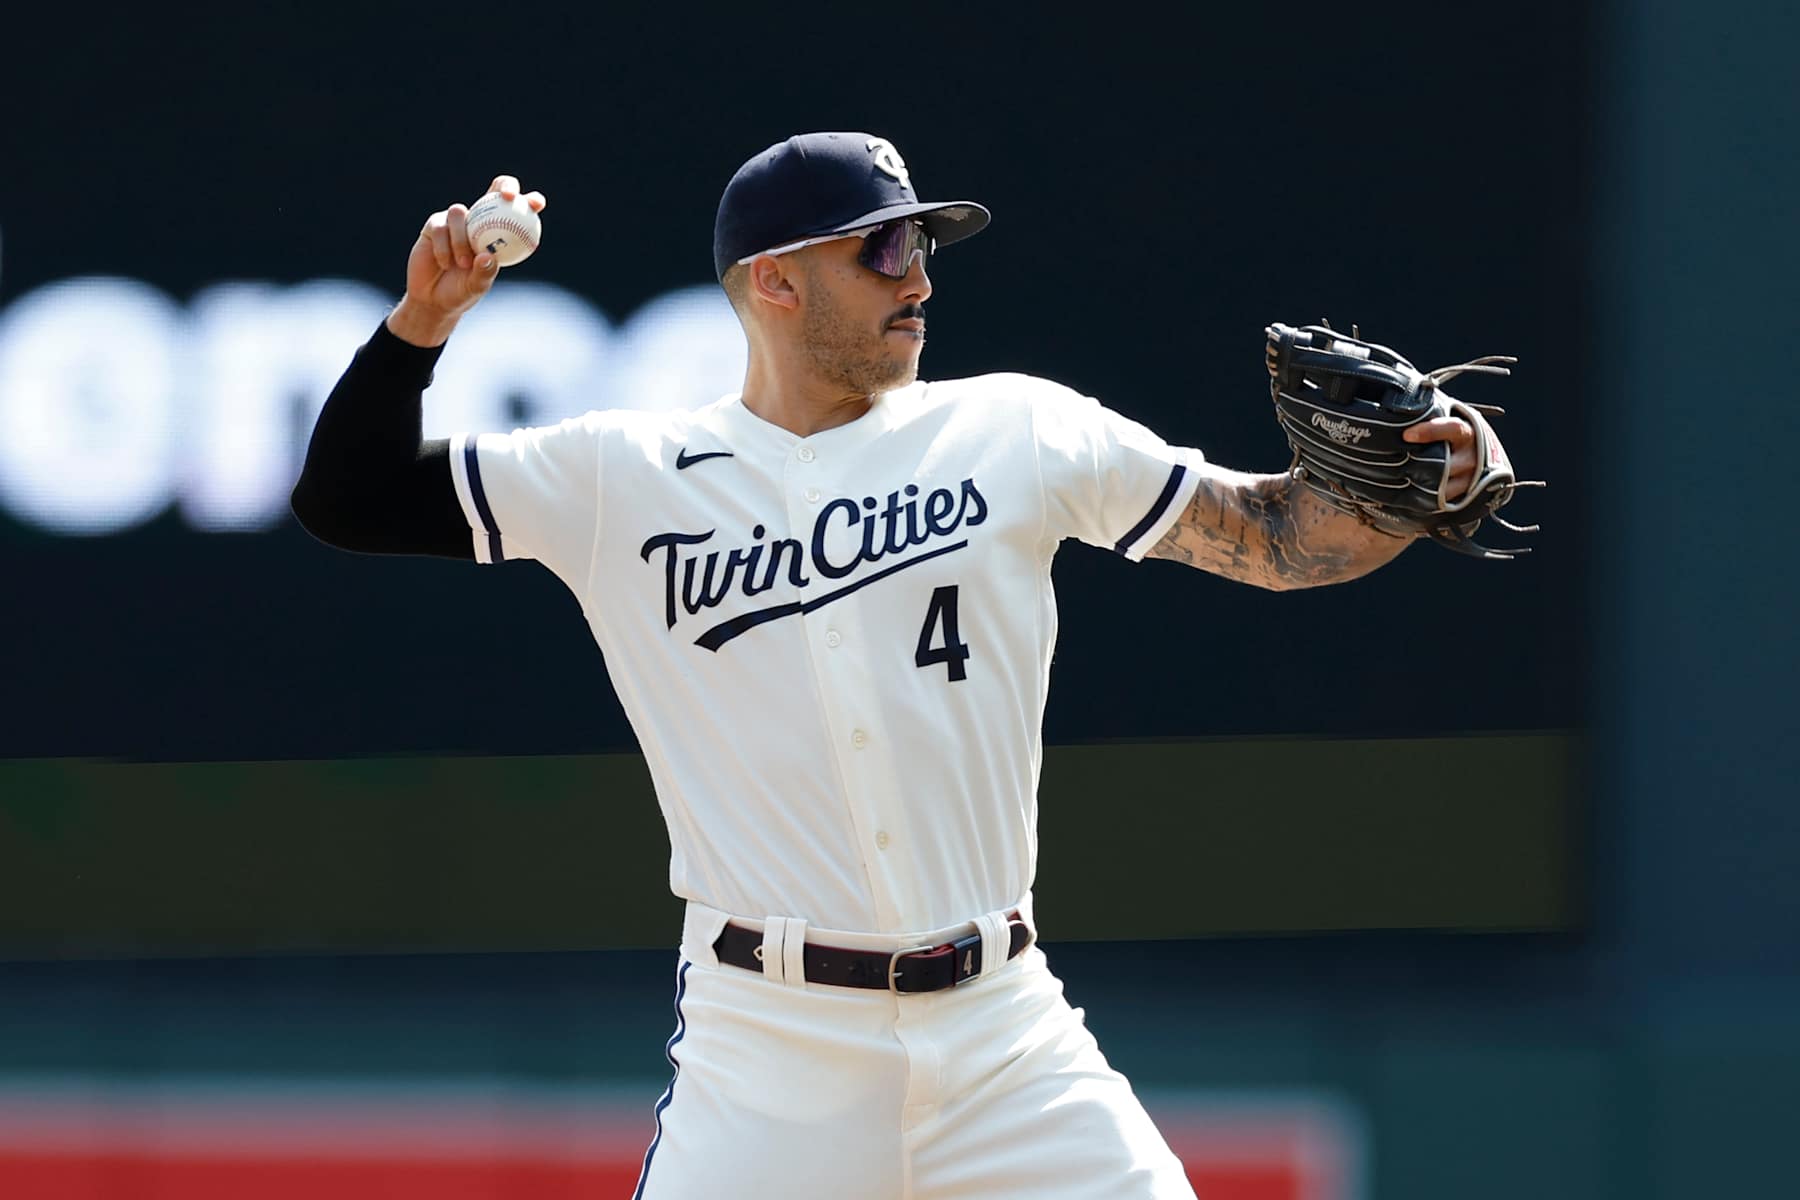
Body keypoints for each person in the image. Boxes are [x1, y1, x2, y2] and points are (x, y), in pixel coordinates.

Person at [291, 132, 1496, 1199]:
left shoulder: (1016, 428)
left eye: (921, 244)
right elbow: (347, 500)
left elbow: (1280, 541)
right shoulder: (623, 477)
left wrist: (1420, 489)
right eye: (879, 250)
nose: (917, 276)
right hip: (769, 1050)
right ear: (774, 281)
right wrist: (422, 328)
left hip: (1004, 1036)